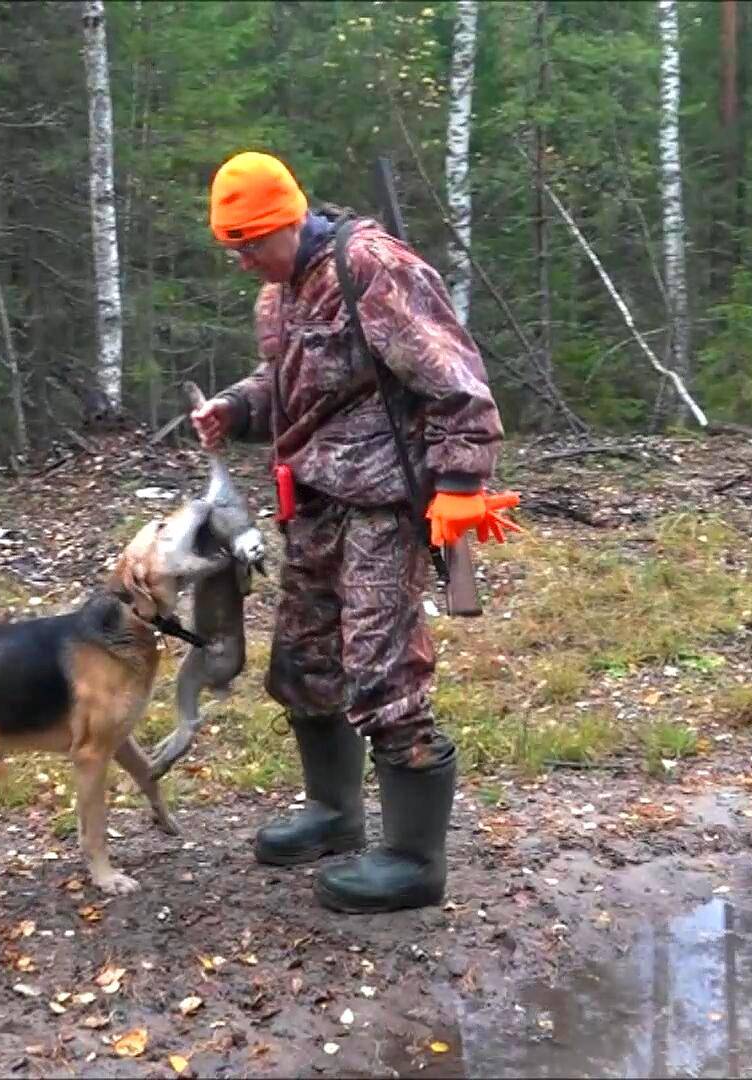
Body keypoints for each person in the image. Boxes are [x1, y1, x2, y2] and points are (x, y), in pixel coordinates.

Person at [190, 150, 519, 914]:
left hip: (382, 503)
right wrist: (238, 408)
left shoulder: (371, 268)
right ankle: (334, 814)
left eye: (247, 243)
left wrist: (462, 484)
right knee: (306, 663)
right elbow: (290, 385)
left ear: (285, 220)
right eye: (228, 248)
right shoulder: (277, 296)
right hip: (310, 502)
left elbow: (456, 380)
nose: (238, 261)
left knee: (382, 670)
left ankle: (413, 859)